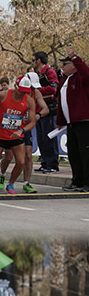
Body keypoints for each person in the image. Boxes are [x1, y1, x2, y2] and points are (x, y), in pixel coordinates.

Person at [0, 76, 36, 195]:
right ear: (16, 87)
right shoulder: (3, 95)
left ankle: (10, 184)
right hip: (0, 135)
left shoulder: (29, 101)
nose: (23, 94)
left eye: (26, 91)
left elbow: (32, 122)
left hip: (16, 136)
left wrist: (22, 130)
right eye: (21, 91)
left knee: (21, 162)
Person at [57, 47, 89, 193]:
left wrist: (75, 57)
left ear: (74, 66)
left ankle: (87, 183)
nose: (62, 67)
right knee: (73, 154)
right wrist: (60, 120)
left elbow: (86, 73)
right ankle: (77, 181)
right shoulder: (65, 80)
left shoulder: (81, 78)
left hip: (83, 121)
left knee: (85, 153)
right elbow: (61, 102)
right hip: (71, 123)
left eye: (65, 64)